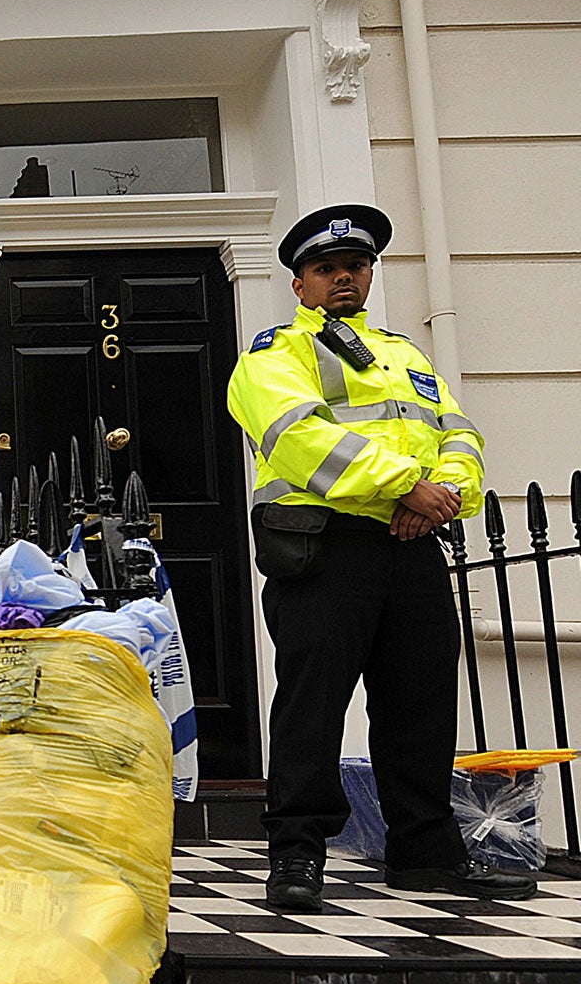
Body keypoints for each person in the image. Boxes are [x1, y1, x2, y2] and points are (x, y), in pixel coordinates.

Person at [227, 204, 536, 912]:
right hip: (325, 550)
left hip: (412, 545)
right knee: (313, 706)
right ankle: (297, 853)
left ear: (369, 275)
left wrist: (445, 494)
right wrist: (406, 485)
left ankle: (425, 854)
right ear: (300, 284)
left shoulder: (406, 354)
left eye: (355, 267)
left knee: (420, 705)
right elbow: (297, 436)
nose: (343, 277)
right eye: (325, 269)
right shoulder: (275, 353)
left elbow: (458, 433)